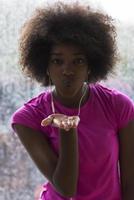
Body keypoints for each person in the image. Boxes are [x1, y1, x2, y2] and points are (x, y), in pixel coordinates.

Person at [10, 2, 134, 200]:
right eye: (57, 61)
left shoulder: (118, 105)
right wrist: (67, 131)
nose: (67, 70)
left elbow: (130, 182)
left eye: (78, 61)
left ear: (91, 65)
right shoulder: (28, 118)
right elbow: (66, 189)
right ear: (45, 66)